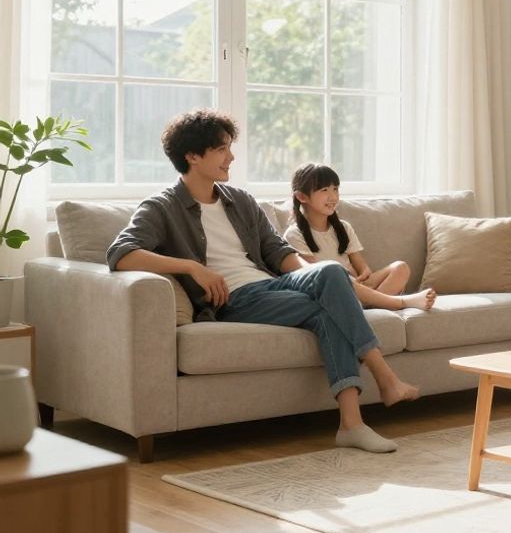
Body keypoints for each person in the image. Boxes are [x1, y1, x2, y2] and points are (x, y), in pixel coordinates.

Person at [107, 109, 419, 453]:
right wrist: (191, 267)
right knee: (331, 285)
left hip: (270, 286)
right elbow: (120, 254)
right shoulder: (161, 207)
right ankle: (382, 382)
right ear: (193, 156)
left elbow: (278, 251)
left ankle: (351, 425)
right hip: (232, 300)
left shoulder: (239, 200)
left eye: (230, 147)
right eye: (222, 149)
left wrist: (310, 274)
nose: (232, 156)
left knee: (329, 279)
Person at [284, 162, 436, 311]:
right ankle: (397, 302)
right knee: (339, 277)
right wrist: (348, 280)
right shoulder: (295, 234)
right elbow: (316, 275)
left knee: (400, 267)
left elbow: (361, 266)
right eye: (324, 190)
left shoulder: (343, 227)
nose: (333, 196)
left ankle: (366, 305)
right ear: (302, 197)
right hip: (331, 289)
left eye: (335, 189)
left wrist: (364, 273)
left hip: (356, 286)